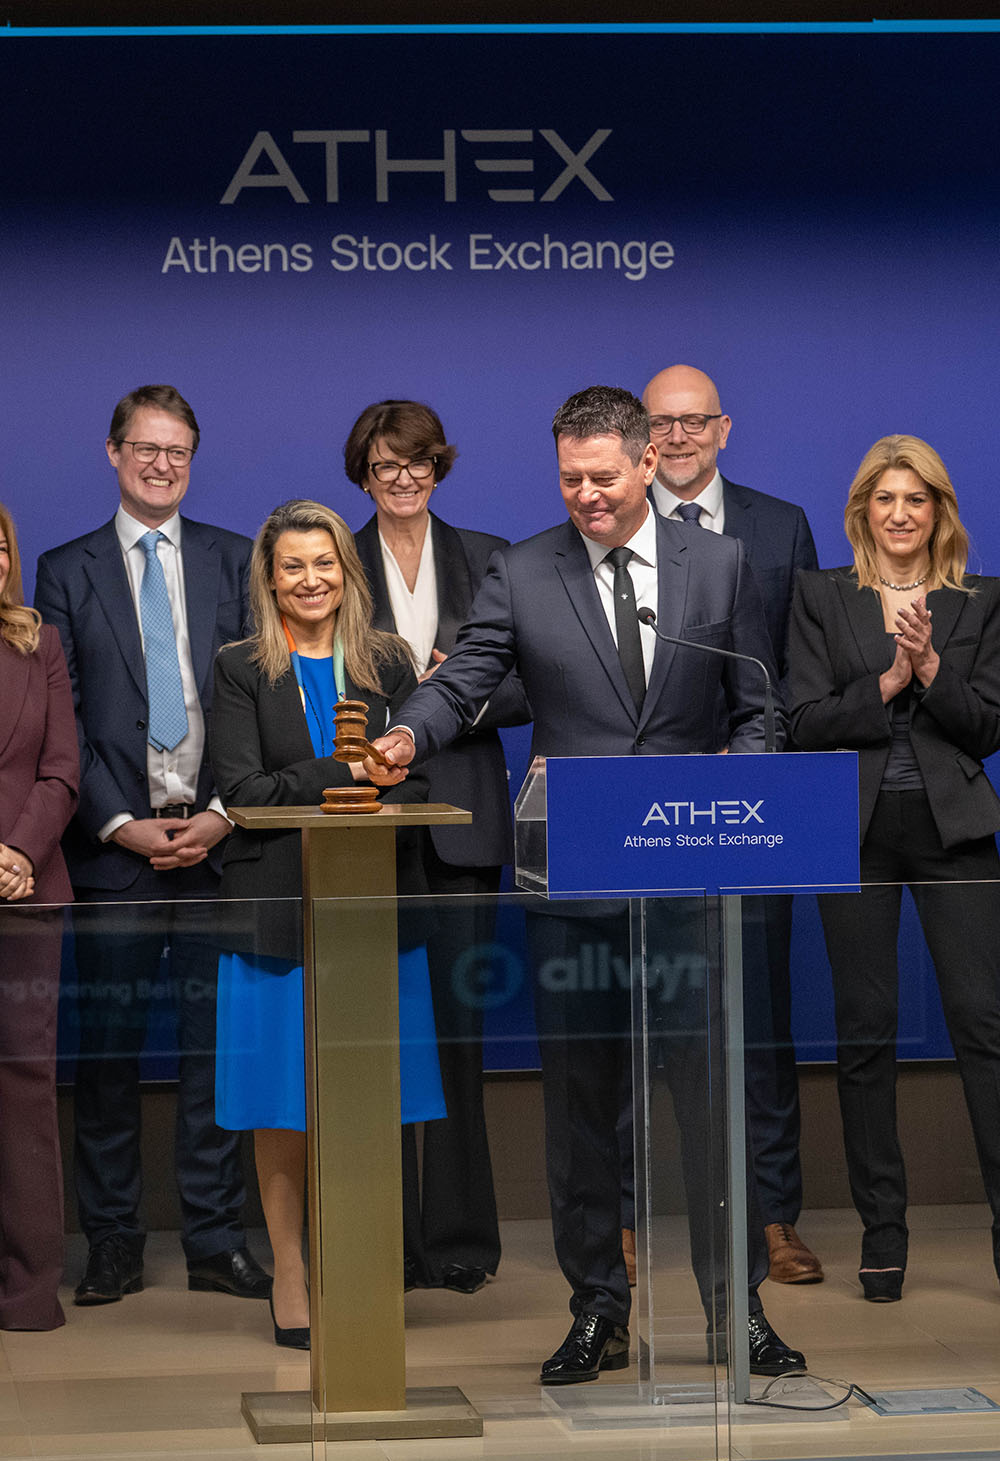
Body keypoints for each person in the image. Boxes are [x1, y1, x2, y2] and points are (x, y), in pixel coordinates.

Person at [365, 386, 806, 1385]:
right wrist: (406, 734)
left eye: (603, 477)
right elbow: (464, 677)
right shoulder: (523, 570)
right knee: (581, 1112)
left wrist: (742, 777)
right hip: (574, 886)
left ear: (648, 463)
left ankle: (735, 1312)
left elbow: (757, 705)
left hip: (692, 883)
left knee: (711, 1104)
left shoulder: (720, 564)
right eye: (569, 479)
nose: (586, 496)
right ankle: (597, 1311)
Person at [34, 385, 269, 1308]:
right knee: (108, 1059)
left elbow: (258, 701)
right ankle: (113, 1244)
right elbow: (62, 715)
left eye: (177, 451)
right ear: (113, 452)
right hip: (113, 853)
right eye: (145, 448)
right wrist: (118, 823)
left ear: (192, 459)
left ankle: (215, 1240)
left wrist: (221, 812)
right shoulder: (66, 569)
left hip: (218, 846)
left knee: (219, 1054)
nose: (161, 465)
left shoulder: (235, 559)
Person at [209, 500, 438, 1348]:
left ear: (348, 571)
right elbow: (244, 792)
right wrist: (348, 770)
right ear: (270, 580)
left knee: (372, 1098)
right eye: (293, 566)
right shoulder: (240, 667)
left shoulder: (389, 661)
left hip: (374, 907)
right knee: (281, 1103)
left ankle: (360, 1264)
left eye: (325, 563)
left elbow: (420, 781)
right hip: (274, 911)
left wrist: (370, 778)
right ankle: (291, 1273)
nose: (311, 580)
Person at [788, 434, 1000, 1302]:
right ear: (863, 511)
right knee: (865, 1030)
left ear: (938, 511)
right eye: (886, 499)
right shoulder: (820, 596)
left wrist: (934, 671)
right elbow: (802, 721)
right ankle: (883, 1234)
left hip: (957, 835)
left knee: (984, 1026)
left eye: (917, 499)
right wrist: (885, 682)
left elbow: (989, 728)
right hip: (855, 832)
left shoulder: (982, 600)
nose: (901, 514)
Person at [641, 364, 822, 1286]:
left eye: (694, 421)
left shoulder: (779, 526)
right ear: (641, 436)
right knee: (635, 1016)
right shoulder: (612, 518)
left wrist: (748, 755)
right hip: (640, 812)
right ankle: (630, 1221)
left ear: (723, 429)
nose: (678, 437)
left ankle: (774, 1217)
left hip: (752, 808)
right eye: (661, 423)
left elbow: (799, 665)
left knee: (759, 1014)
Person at [347, 399, 531, 1294]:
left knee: (457, 1036)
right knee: (371, 1038)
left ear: (439, 467)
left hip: (464, 818)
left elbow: (531, 681)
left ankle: (459, 1240)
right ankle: (383, 1237)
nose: (404, 479)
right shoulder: (335, 559)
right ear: (364, 476)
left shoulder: (490, 557)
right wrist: (400, 707)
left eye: (417, 463)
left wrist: (455, 697)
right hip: (362, 819)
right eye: (386, 466)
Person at [0, 504, 79, 1330]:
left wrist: (19, 851)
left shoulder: (39, 644)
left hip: (26, 892)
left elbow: (61, 769)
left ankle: (27, 1289)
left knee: (24, 1086)